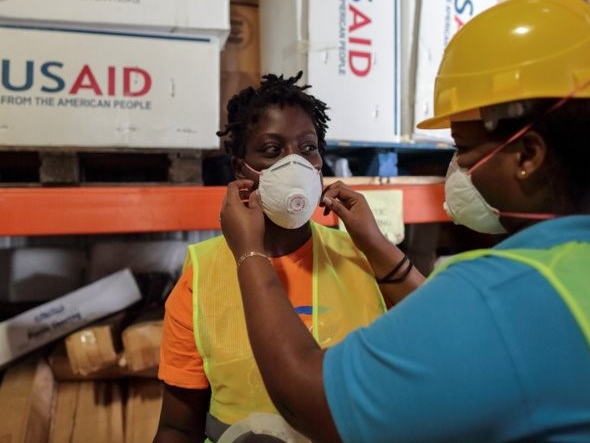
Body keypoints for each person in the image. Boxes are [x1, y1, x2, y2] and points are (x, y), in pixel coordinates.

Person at [219, 0, 590, 442]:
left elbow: (306, 398)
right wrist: (376, 246)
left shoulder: (494, 292)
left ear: (527, 154)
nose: (459, 170)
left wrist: (250, 252)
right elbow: (456, 334)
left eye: (464, 149)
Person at [154, 72, 425, 442]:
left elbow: (443, 337)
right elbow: (176, 426)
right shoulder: (203, 275)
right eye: (272, 150)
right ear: (241, 171)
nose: (294, 163)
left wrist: (375, 242)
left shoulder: (362, 258)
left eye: (308, 148)